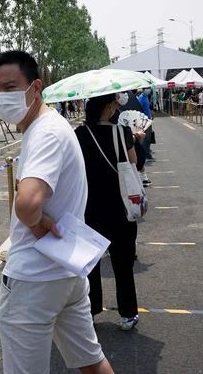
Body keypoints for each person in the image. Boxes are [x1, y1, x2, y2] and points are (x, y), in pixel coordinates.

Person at [0, 51, 114, 374]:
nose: (2, 97)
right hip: (64, 272)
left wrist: (35, 220)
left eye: (10, 86)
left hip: (34, 280)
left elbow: (28, 203)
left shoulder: (44, 132)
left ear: (35, 87)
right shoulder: (53, 126)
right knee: (91, 363)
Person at [75, 93, 140, 331]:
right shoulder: (121, 133)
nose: (115, 109)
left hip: (89, 209)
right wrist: (136, 140)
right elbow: (133, 163)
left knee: (90, 265)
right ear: (106, 108)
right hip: (120, 208)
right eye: (113, 105)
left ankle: (90, 311)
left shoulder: (79, 135)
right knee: (123, 264)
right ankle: (127, 315)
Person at [137, 89, 154, 162]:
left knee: (148, 139)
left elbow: (147, 108)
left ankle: (147, 154)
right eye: (147, 89)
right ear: (143, 90)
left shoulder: (146, 97)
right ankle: (144, 156)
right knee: (145, 139)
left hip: (149, 119)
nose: (148, 90)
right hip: (144, 120)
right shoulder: (141, 98)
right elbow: (138, 109)